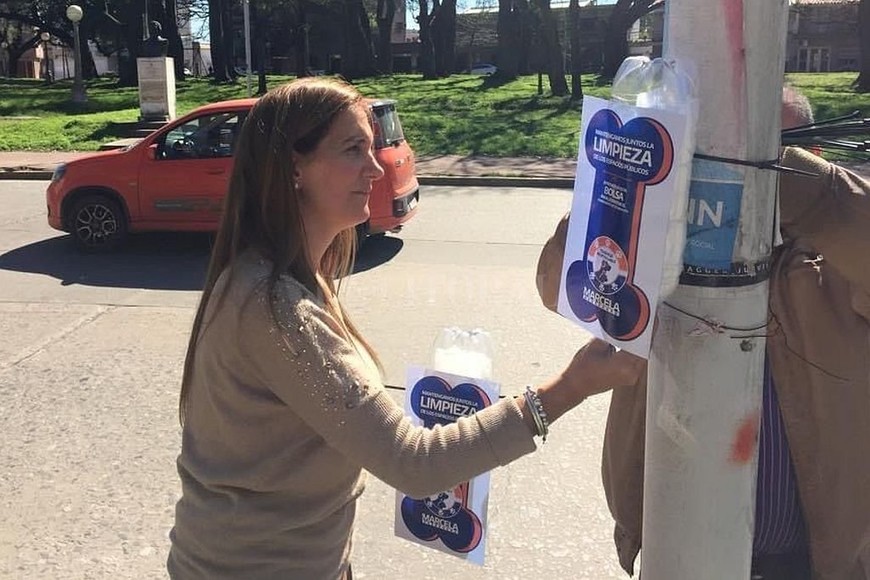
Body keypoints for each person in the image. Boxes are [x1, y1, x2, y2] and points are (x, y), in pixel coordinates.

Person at [167, 77, 645, 580]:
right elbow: (413, 464)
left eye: (373, 147)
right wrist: (570, 388)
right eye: (354, 149)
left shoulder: (289, 277)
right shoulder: (275, 308)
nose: (375, 168)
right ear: (293, 168)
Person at [535, 88, 870, 579]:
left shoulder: (831, 261)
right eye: (717, 153)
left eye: (762, 151)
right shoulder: (664, 244)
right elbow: (554, 285)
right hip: (678, 547)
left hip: (808, 561)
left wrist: (802, 187)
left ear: (810, 157)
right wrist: (625, 190)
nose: (732, 174)